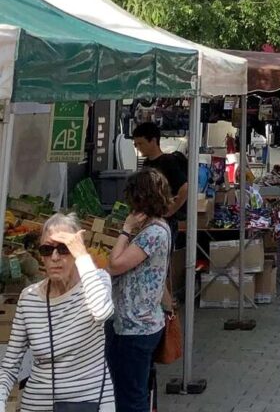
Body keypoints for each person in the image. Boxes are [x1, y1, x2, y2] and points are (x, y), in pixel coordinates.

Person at [0, 213, 114, 410]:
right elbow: (10, 365)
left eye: (63, 248)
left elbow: (102, 311)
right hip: (38, 404)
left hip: (89, 402)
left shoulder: (97, 281)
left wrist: (83, 256)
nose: (54, 257)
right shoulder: (29, 298)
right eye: (47, 249)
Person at [107, 168, 172, 412]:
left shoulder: (152, 233)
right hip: (142, 323)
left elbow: (115, 265)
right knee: (134, 392)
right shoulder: (158, 227)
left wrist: (125, 229)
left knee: (130, 398)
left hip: (135, 326)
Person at [132, 121, 188, 240]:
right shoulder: (146, 163)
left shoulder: (168, 162)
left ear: (153, 141)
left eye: (141, 143)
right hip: (150, 219)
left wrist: (170, 211)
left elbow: (185, 188)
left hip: (165, 222)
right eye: (136, 144)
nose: (138, 147)